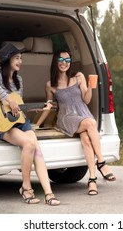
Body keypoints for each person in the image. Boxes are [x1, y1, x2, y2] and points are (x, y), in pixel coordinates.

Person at [0, 42, 60, 206]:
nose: (20, 61)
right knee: (28, 143)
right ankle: (26, 188)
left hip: (19, 121)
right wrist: (9, 100)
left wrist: (38, 108)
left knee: (36, 147)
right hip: (2, 123)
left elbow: (18, 105)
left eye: (21, 58)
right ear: (7, 60)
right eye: (17, 58)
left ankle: (49, 193)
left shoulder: (19, 79)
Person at [35, 50, 116, 196]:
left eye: (67, 60)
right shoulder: (50, 85)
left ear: (70, 62)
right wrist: (37, 124)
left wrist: (91, 86)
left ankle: (92, 180)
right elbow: (48, 106)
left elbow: (86, 100)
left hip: (83, 113)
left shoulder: (78, 77)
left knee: (86, 139)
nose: (64, 63)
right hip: (66, 118)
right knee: (91, 123)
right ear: (55, 61)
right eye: (61, 59)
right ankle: (102, 163)